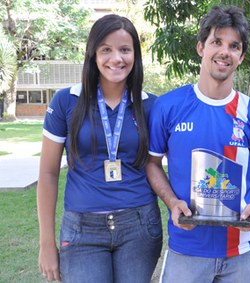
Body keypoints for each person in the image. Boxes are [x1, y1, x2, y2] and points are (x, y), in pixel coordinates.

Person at [146, 5, 250, 283]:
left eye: (234, 46)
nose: (225, 51)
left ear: (241, 55)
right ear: (201, 47)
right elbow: (152, 164)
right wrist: (172, 201)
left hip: (241, 249)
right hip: (187, 248)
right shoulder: (168, 106)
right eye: (217, 42)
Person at [37, 14, 162, 283]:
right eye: (106, 49)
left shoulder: (151, 105)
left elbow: (163, 165)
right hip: (82, 229)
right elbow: (47, 174)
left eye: (125, 50)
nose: (116, 58)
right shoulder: (66, 101)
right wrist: (46, 243)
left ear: (135, 55)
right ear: (93, 54)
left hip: (139, 225)